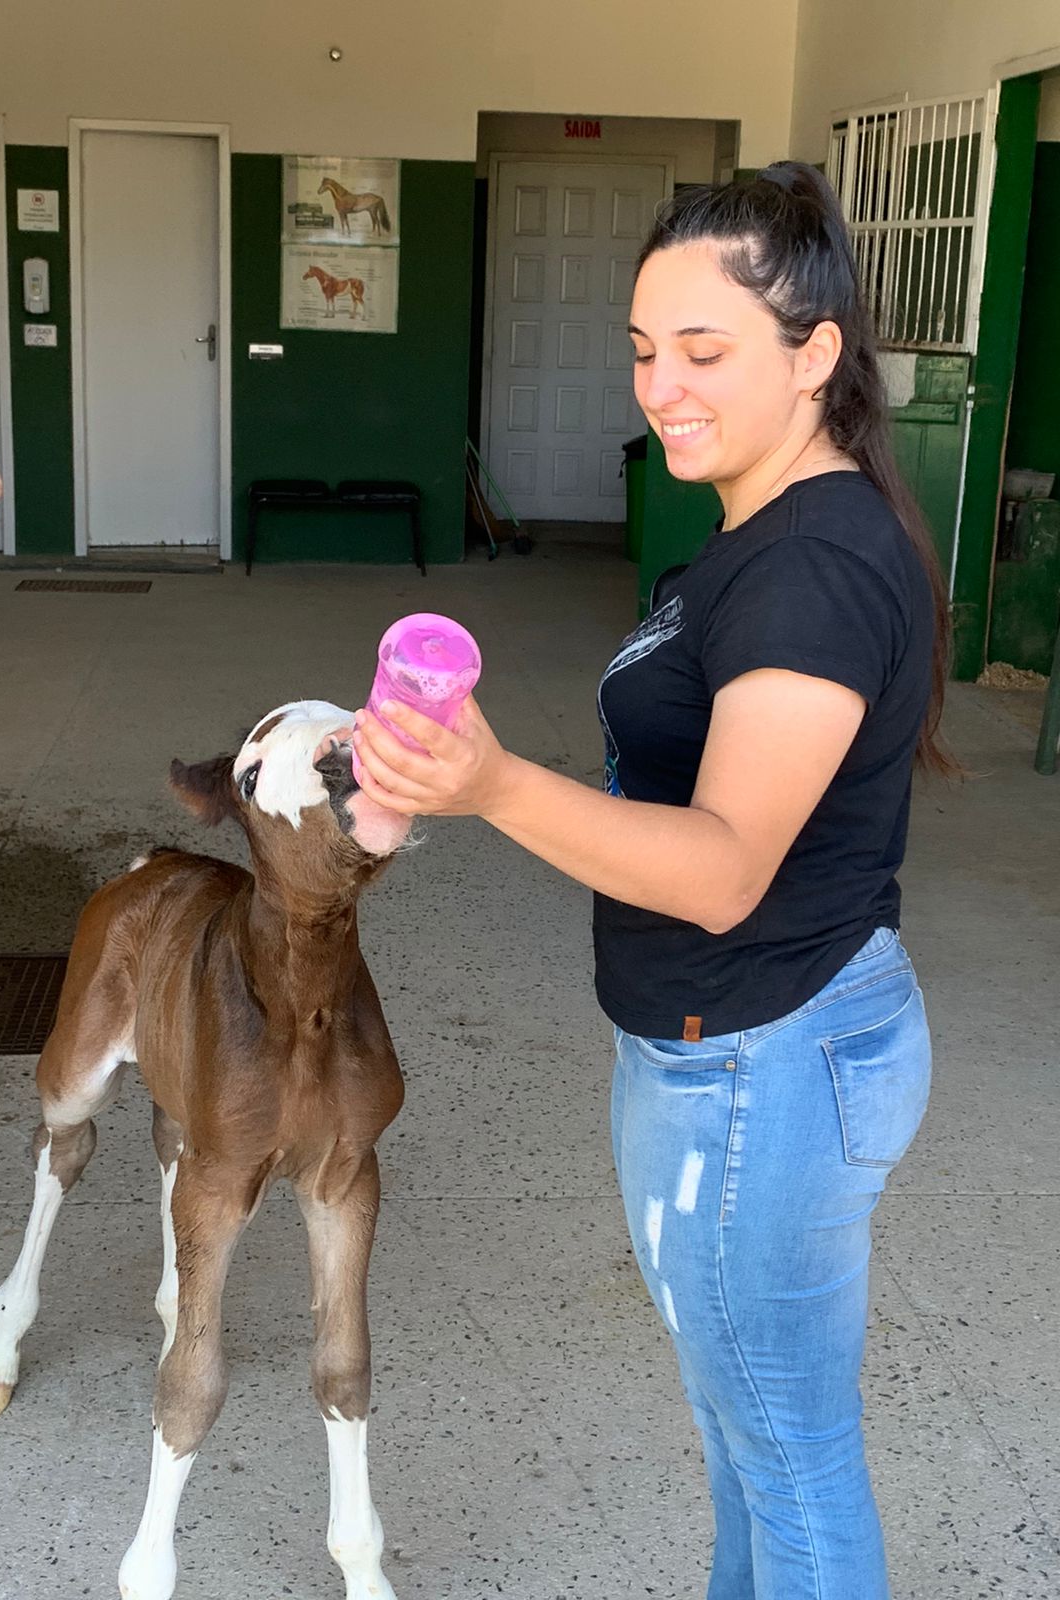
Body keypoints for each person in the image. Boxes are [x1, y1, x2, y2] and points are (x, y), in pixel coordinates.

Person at [352, 162, 948, 1600]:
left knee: (788, 1458)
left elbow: (726, 869)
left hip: (761, 1062)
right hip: (754, 1045)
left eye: (702, 352)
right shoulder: (768, 532)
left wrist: (493, 786)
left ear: (814, 356)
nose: (659, 389)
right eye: (641, 351)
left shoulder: (814, 568)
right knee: (755, 1441)